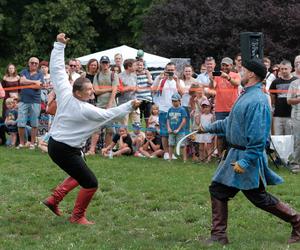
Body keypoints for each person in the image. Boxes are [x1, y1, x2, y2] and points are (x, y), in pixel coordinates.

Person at [197, 59, 300, 245]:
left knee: (258, 197)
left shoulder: (258, 100)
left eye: (242, 70)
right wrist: (208, 128)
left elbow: (259, 139)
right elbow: (230, 123)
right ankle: (218, 236)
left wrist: (245, 162)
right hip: (236, 155)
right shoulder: (245, 95)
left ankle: (298, 222)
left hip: (246, 158)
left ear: (252, 74)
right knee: (218, 190)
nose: (239, 72)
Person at [42, 33, 140, 225]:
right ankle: (77, 217)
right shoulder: (86, 109)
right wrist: (130, 105)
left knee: (80, 173)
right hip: (64, 150)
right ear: (77, 92)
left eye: (91, 88)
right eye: (88, 90)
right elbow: (108, 115)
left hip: (58, 145)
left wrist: (59, 45)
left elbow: (56, 70)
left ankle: (53, 200)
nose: (91, 91)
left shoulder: (64, 92)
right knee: (90, 182)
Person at [209, 57, 241, 158]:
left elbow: (237, 83)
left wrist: (227, 77)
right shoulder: (217, 76)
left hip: (232, 108)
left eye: (227, 65)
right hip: (220, 109)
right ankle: (220, 156)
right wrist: (211, 79)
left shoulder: (236, 75)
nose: (224, 67)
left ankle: (231, 156)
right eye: (223, 65)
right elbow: (211, 88)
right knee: (220, 133)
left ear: (231, 66)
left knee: (232, 133)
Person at [152, 62, 184, 160]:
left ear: (175, 70)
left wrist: (177, 80)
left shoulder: (178, 80)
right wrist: (159, 78)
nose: (170, 72)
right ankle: (166, 153)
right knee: (164, 132)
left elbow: (182, 93)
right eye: (168, 70)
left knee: (174, 132)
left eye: (172, 70)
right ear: (165, 70)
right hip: (163, 109)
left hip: (176, 110)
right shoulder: (160, 80)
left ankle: (171, 153)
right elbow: (153, 90)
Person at [17, 57, 44, 149]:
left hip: (35, 101)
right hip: (23, 100)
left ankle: (32, 144)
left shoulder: (40, 73)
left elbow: (38, 86)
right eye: (32, 63)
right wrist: (34, 82)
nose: (34, 64)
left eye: (36, 63)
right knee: (21, 122)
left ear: (38, 64)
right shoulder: (24, 71)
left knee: (34, 123)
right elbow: (21, 81)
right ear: (29, 63)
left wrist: (28, 82)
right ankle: (22, 143)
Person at [270, 60, 297, 135]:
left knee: (290, 140)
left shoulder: (296, 81)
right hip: (278, 115)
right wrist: (273, 107)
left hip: (291, 115)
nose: (284, 71)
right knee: (278, 139)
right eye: (282, 69)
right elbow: (272, 96)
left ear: (290, 69)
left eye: (286, 69)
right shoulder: (275, 82)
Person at [167, 93, 187, 162]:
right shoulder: (170, 109)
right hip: (171, 131)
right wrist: (169, 128)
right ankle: (170, 158)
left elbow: (184, 120)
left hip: (180, 131)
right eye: (173, 101)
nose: (174, 102)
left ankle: (184, 159)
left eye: (175, 101)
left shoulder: (182, 109)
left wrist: (178, 129)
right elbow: (168, 119)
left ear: (179, 101)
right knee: (171, 144)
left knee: (182, 145)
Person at [287, 78, 300, 172]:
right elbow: (289, 100)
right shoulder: (294, 84)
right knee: (297, 141)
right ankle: (295, 163)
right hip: (297, 117)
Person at [136, 59, 153, 127]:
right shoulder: (134, 75)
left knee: (148, 120)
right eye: (138, 65)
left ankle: (148, 135)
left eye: (141, 65)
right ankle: (138, 135)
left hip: (147, 99)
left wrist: (147, 74)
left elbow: (150, 82)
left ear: (143, 66)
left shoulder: (147, 74)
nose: (139, 66)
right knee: (137, 120)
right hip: (138, 99)